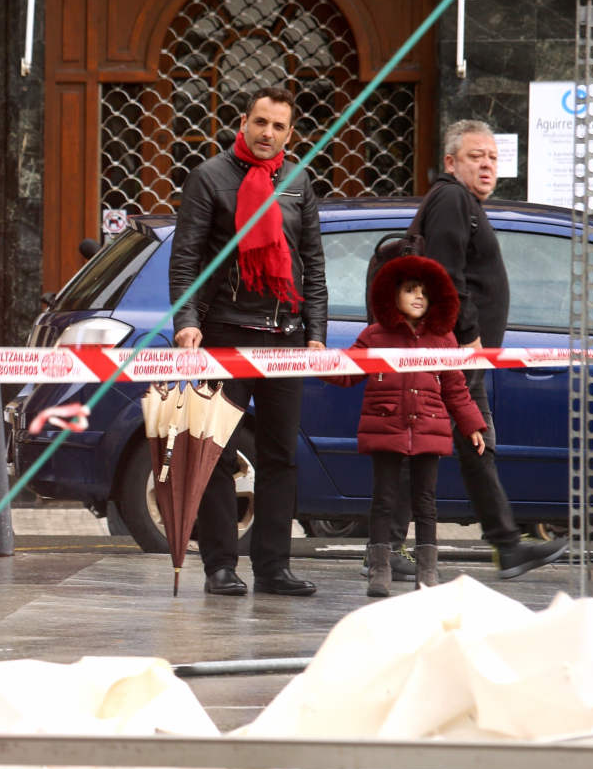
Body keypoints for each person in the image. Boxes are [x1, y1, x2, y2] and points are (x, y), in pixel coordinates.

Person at [168, 86, 327, 598]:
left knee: (281, 457)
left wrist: (317, 334)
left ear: (290, 133)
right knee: (216, 451)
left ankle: (274, 568)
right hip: (225, 334)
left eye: (279, 126)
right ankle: (220, 566)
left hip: (285, 336)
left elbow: (313, 264)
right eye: (260, 122)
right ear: (243, 122)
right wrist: (187, 320)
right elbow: (186, 260)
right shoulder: (209, 178)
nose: (268, 134)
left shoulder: (298, 182)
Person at [399, 120, 568, 580]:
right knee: (457, 440)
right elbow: (444, 273)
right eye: (477, 156)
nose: (488, 164)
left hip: (460, 352)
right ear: (451, 162)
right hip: (458, 351)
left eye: (493, 157)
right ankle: (503, 544)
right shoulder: (453, 199)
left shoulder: (460, 202)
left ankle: (503, 543)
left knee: (458, 441)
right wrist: (470, 333)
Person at [325, 256, 486, 596]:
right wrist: (317, 361)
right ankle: (379, 568)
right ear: (392, 294)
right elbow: (347, 371)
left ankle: (427, 571)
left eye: (424, 293)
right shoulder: (374, 336)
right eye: (410, 290)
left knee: (425, 502)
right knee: (384, 500)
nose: (418, 298)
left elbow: (456, 386)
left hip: (429, 427)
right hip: (387, 426)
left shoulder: (444, 340)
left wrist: (472, 424)